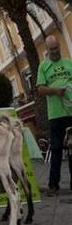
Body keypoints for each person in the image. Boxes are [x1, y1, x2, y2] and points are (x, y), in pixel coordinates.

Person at [37, 35, 72, 196]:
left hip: (70, 112)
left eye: (56, 48)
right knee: (56, 149)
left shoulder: (69, 63)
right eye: (51, 49)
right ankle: (53, 185)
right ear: (47, 50)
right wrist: (55, 91)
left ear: (59, 46)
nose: (54, 52)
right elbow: (40, 89)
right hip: (55, 115)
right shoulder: (43, 67)